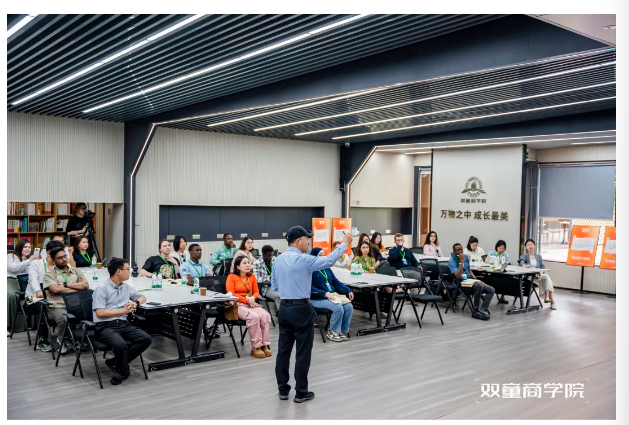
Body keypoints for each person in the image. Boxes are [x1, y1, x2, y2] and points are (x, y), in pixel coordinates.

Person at [271, 226, 352, 403]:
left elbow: (275, 287)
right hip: (301, 308)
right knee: (303, 352)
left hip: (284, 308)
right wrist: (344, 244)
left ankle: (283, 390)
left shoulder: (277, 260)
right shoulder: (304, 259)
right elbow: (329, 260)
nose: (308, 242)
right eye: (307, 239)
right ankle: (301, 392)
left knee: (283, 351)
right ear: (298, 241)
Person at [93, 258, 152, 385]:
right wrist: (122, 311)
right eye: (127, 269)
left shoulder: (126, 287)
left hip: (122, 323)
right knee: (120, 345)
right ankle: (122, 368)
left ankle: (116, 363)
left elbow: (142, 297)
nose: (129, 272)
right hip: (105, 326)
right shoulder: (101, 289)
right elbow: (100, 313)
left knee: (146, 339)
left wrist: (135, 303)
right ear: (119, 271)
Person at [43, 246, 89, 354]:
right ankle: (61, 340)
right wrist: (77, 288)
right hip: (57, 306)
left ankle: (78, 339)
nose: (64, 259)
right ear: (53, 261)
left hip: (75, 304)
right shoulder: (49, 275)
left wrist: (65, 285)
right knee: (64, 318)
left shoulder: (76, 271)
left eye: (65, 256)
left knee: (90, 314)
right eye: (60, 258)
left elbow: (85, 285)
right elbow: (55, 289)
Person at [227, 256, 272, 359]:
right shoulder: (231, 277)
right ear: (238, 267)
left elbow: (256, 292)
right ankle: (256, 347)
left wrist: (252, 298)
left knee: (265, 315)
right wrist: (247, 300)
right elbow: (231, 293)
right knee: (253, 317)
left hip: (250, 302)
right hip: (237, 304)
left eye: (248, 262)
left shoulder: (252, 276)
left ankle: (264, 344)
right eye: (244, 263)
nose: (248, 265)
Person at [309, 248, 354, 342]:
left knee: (348, 306)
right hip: (318, 299)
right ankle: (332, 331)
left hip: (332, 296)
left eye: (323, 255)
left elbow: (336, 282)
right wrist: (324, 293)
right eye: (320, 255)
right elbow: (309, 288)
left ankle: (340, 331)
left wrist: (348, 290)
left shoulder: (327, 268)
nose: (322, 257)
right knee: (338, 307)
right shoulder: (310, 270)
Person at [448, 243, 495, 320]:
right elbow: (458, 275)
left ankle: (483, 310)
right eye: (458, 250)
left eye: (461, 250)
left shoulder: (466, 257)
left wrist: (476, 279)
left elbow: (469, 270)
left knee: (491, 289)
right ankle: (475, 311)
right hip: (460, 283)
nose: (460, 252)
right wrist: (461, 262)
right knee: (478, 286)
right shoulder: (452, 261)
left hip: (470, 281)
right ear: (454, 251)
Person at [519, 239, 556, 310]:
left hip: (539, 276)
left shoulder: (539, 257)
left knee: (546, 278)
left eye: (531, 244)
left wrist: (540, 273)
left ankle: (547, 298)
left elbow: (542, 267)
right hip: (530, 278)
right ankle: (551, 301)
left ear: (534, 246)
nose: (530, 246)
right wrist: (525, 266)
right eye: (528, 245)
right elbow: (521, 263)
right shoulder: (523, 257)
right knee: (548, 280)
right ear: (526, 247)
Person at [252, 245, 281, 316]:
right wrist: (269, 278)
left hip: (278, 285)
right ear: (263, 254)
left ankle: (283, 313)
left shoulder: (275, 260)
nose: (271, 257)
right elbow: (256, 279)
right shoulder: (257, 263)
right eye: (268, 256)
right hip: (266, 287)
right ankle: (283, 316)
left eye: (271, 255)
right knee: (278, 296)